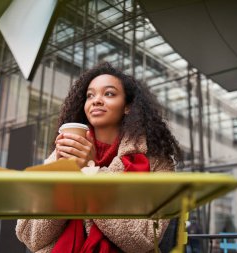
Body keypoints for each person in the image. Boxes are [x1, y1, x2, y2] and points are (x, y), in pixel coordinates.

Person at [16, 62, 183, 253]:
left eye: (109, 93)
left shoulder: (157, 162)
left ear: (127, 106)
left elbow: (142, 239)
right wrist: (66, 174)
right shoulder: (60, 156)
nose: (96, 100)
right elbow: (31, 236)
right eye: (90, 95)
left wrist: (90, 169)